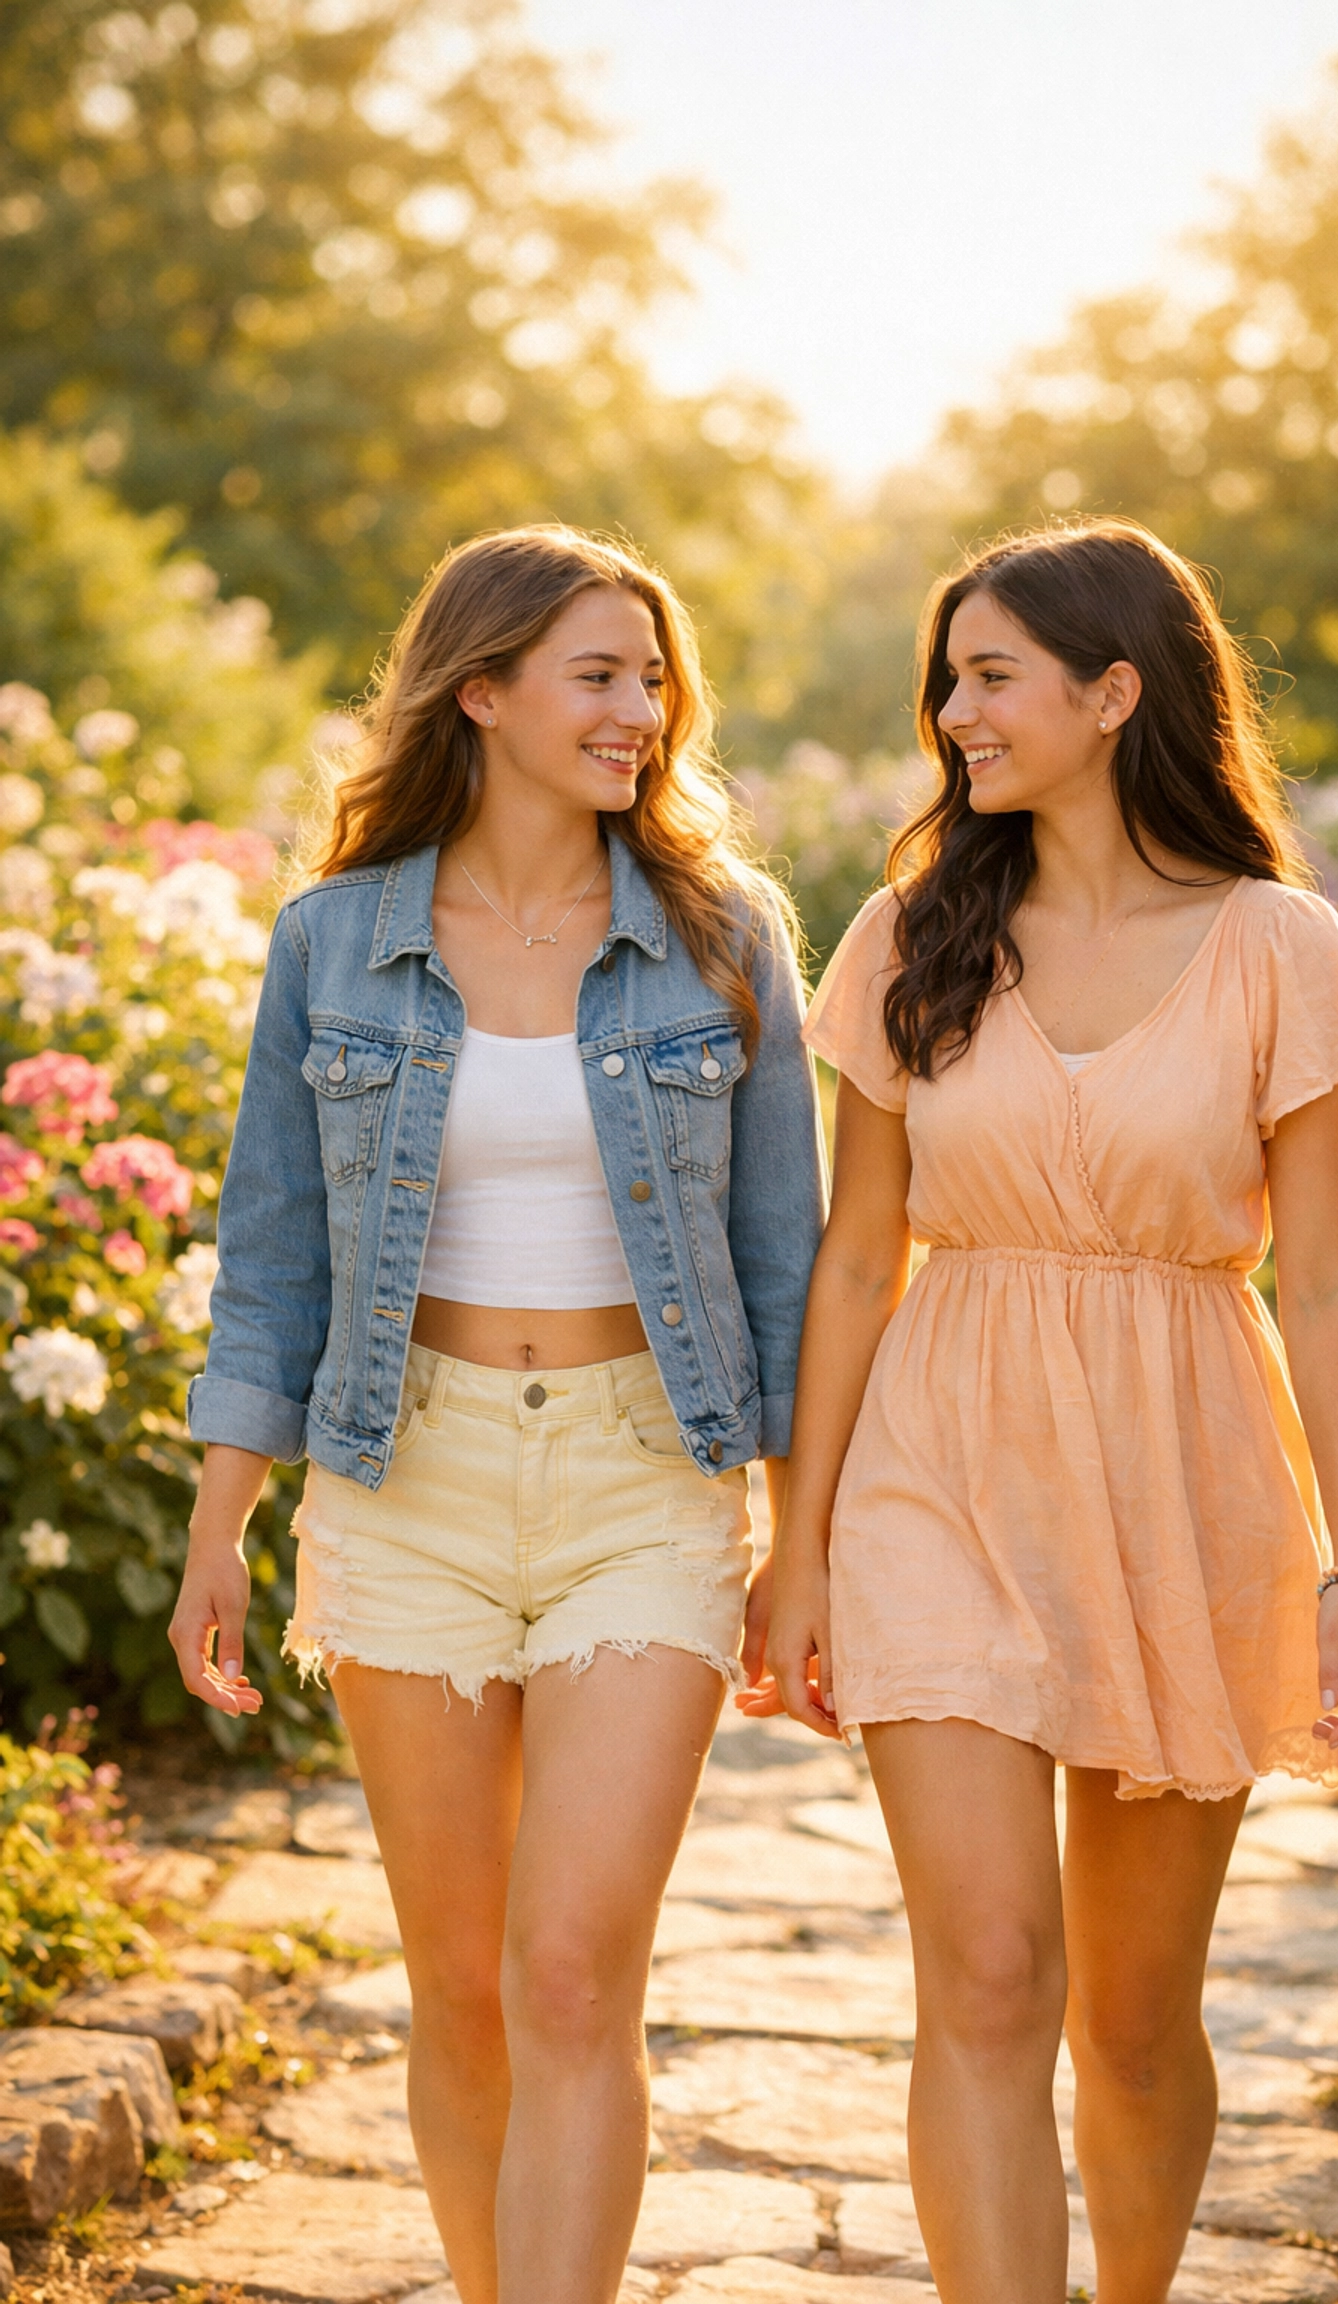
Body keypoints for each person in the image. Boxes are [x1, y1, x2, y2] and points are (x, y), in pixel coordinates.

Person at [749, 519, 1338, 2304]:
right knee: (982, 1978)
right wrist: (794, 1547)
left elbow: (1329, 1282)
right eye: (946, 680)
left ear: (1115, 692)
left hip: (1188, 1476)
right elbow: (857, 1259)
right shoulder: (913, 932)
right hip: (940, 1470)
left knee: (1131, 2024)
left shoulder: (1280, 944)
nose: (953, 713)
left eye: (991, 676)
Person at [169, 526, 825, 2304]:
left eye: (651, 674)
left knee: (570, 1975)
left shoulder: (720, 934)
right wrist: (222, 1522)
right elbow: (275, 1257)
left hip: (644, 1477)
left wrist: (802, 1541)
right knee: (459, 1988)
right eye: (599, 673)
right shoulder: (336, 943)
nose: (642, 707)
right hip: (406, 1480)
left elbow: (792, 1265)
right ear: (484, 690)